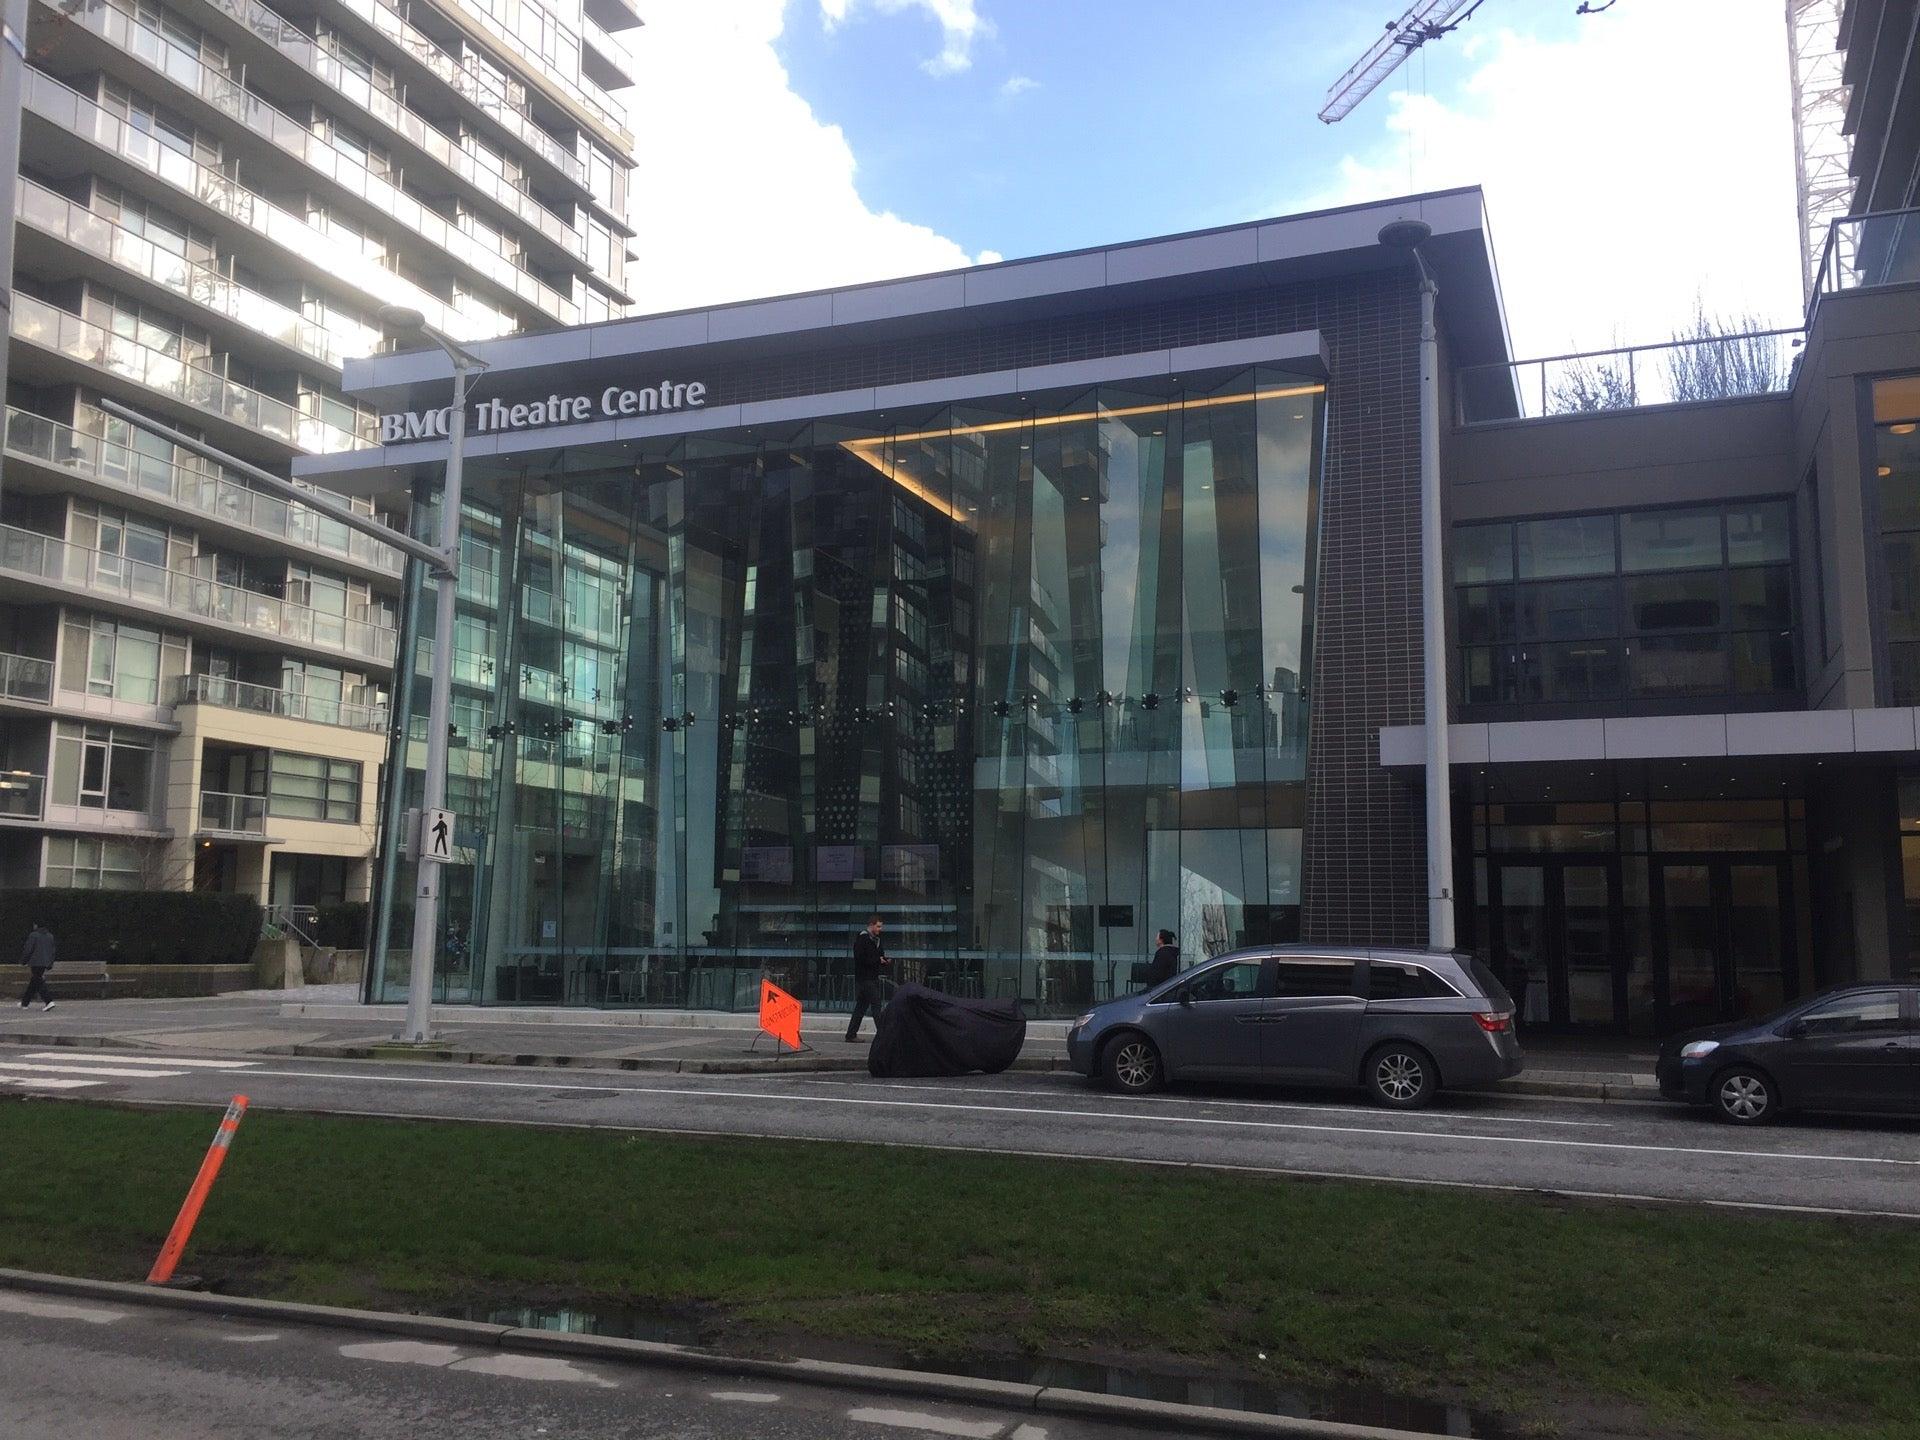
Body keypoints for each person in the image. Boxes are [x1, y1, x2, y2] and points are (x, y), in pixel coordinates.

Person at [845, 915, 890, 1042]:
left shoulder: (877, 940)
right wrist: (877, 960)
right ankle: (883, 1035)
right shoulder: (863, 939)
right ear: (871, 925)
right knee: (876, 1003)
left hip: (871, 976)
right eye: (878, 926)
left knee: (861, 1006)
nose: (880, 929)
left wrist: (883, 960)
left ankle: (851, 1034)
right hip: (865, 978)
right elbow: (861, 958)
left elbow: (878, 955)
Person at [19, 922, 55, 1011]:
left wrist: (23, 961)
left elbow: (28, 949)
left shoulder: (33, 935)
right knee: (35, 981)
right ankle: (25, 1002)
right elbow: (52, 951)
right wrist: (50, 963)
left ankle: (49, 1001)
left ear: (36, 925)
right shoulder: (50, 936)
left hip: (35, 961)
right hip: (45, 962)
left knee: (38, 981)